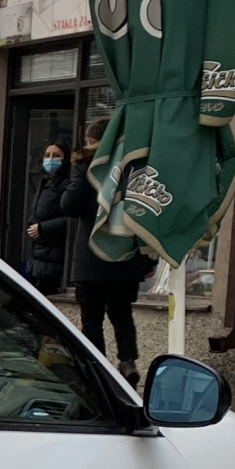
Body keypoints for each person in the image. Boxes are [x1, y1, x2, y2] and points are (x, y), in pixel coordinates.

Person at [63, 128, 156, 386]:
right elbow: (145, 212)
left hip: (92, 256)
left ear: (92, 140)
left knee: (91, 318)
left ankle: (98, 369)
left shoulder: (86, 165)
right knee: (122, 313)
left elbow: (69, 205)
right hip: (126, 254)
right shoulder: (134, 165)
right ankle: (127, 362)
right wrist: (148, 259)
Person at [19, 141, 73, 291]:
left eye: (56, 156)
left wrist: (43, 228)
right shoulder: (45, 183)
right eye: (47, 155)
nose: (50, 159)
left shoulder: (67, 184)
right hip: (39, 257)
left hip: (54, 259)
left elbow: (72, 219)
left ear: (65, 159)